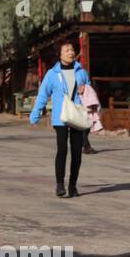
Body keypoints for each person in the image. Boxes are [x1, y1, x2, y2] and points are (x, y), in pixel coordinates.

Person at [29, 42, 91, 198]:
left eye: (72, 50)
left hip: (77, 116)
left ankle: (73, 185)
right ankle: (59, 184)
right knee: (62, 149)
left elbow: (89, 93)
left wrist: (86, 89)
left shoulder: (81, 72)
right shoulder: (52, 74)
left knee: (77, 152)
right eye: (67, 50)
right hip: (60, 117)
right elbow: (43, 94)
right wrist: (36, 113)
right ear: (60, 54)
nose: (70, 52)